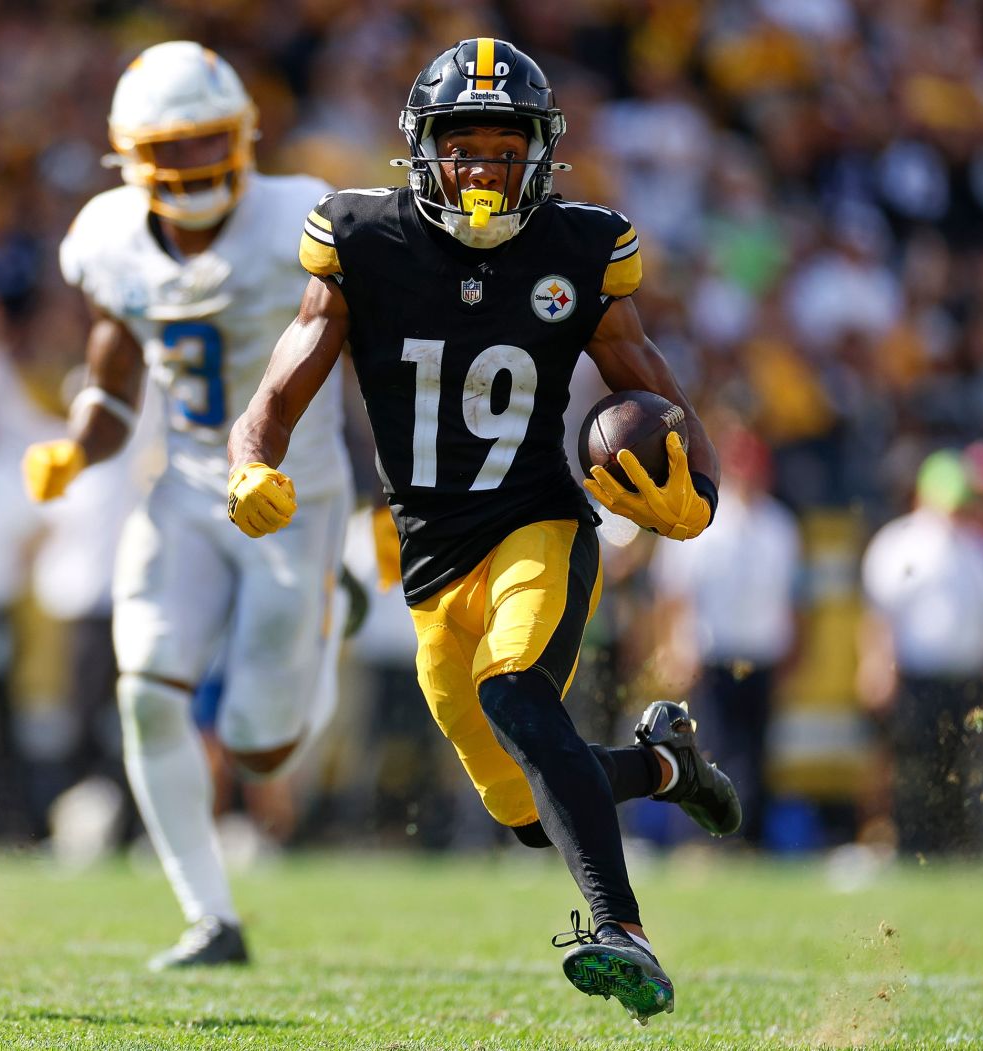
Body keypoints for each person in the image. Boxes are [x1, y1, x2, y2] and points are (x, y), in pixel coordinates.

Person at [226, 38, 739, 1024]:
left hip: (532, 522)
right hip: (428, 559)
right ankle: (665, 764)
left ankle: (621, 928)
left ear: (538, 155)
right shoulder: (360, 239)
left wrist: (696, 492)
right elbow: (286, 373)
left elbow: (646, 382)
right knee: (525, 810)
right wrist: (250, 461)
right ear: (423, 150)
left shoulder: (579, 247)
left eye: (504, 149)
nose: (481, 169)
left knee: (515, 687)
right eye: (463, 147)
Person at [21, 42, 351, 969]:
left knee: (257, 748)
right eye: (177, 147)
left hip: (296, 494)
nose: (199, 165)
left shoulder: (302, 215)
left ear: (245, 137)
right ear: (130, 155)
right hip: (187, 486)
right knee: (146, 690)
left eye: (211, 141)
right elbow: (115, 374)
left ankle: (328, 617)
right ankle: (211, 916)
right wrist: (77, 447)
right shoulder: (109, 237)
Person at [859, 450, 983, 857]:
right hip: (918, 678)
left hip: (969, 679)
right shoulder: (899, 543)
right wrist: (878, 668)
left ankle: (956, 850)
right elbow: (881, 617)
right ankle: (913, 846)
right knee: (915, 769)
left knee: (965, 771)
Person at [650, 422, 801, 846]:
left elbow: (790, 595)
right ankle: (699, 841)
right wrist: (676, 645)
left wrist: (792, 647)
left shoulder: (780, 526)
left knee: (754, 752)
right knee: (708, 749)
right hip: (713, 652)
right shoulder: (704, 520)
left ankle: (745, 838)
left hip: (760, 651)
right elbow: (675, 593)